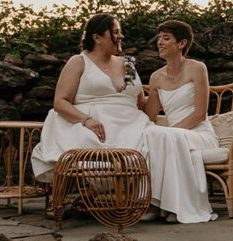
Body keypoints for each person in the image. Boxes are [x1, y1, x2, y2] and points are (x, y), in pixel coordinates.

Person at [31, 12, 149, 182]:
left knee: (157, 141)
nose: (121, 36)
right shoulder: (79, 62)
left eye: (120, 32)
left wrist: (163, 90)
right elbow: (60, 101)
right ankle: (95, 195)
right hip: (96, 125)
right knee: (92, 148)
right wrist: (86, 119)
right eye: (115, 32)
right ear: (97, 37)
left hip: (132, 124)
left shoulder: (128, 64)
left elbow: (139, 103)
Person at [142, 20, 218, 223]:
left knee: (165, 136)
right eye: (159, 38)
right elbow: (149, 116)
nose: (160, 42)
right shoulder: (156, 77)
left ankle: (175, 207)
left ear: (182, 43)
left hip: (199, 133)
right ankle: (156, 204)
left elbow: (200, 114)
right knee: (149, 133)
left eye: (166, 38)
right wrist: (128, 92)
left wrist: (169, 133)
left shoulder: (197, 68)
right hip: (175, 136)